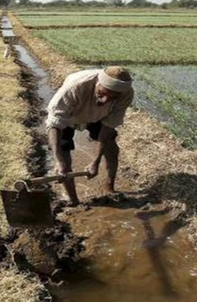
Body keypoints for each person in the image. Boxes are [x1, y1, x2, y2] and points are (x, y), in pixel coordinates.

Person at [46, 66, 134, 205]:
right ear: (97, 83)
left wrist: (95, 161)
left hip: (99, 117)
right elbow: (54, 124)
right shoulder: (75, 87)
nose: (105, 100)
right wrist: (58, 160)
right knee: (64, 160)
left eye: (112, 97)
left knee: (111, 148)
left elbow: (108, 128)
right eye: (102, 93)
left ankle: (109, 187)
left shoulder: (126, 94)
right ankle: (74, 200)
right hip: (70, 115)